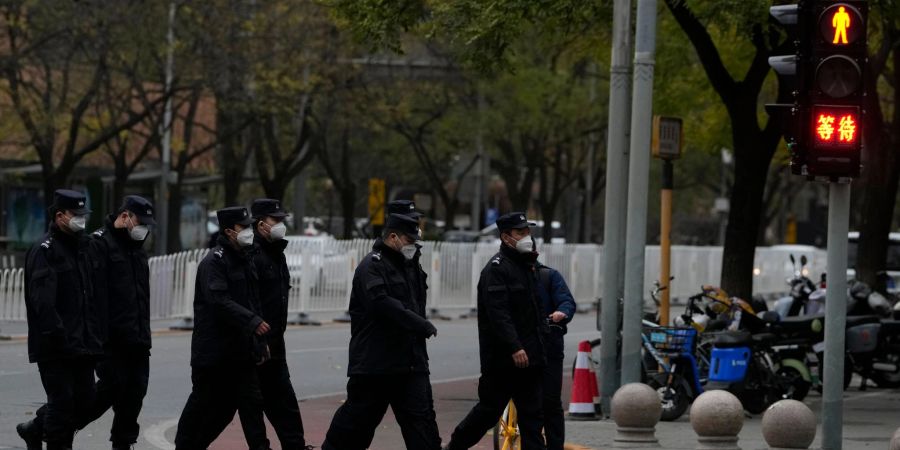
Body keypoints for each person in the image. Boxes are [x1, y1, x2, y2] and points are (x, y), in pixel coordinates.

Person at [322, 213, 441, 450]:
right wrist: (419, 323)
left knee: (423, 428)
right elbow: (382, 304)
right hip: (375, 366)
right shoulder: (371, 266)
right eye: (409, 240)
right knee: (354, 427)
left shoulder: (410, 266)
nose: (413, 246)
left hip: (410, 364)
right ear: (393, 237)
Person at [444, 212, 548, 450]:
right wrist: (515, 346)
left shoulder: (527, 266)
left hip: (530, 359)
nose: (527, 237)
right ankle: (455, 446)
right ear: (506, 237)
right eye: (520, 233)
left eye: (527, 232)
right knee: (489, 412)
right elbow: (498, 315)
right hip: (503, 362)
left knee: (532, 417)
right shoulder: (496, 269)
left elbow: (534, 310)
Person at [174, 206, 272, 450]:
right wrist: (252, 322)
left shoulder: (247, 259)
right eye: (244, 227)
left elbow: (253, 301)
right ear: (229, 231)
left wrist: (259, 341)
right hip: (214, 354)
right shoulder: (213, 262)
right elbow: (219, 301)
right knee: (203, 405)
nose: (249, 231)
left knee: (252, 405)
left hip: (240, 353)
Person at [18, 189, 105, 450]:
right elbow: (43, 303)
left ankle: (34, 429)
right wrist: (60, 339)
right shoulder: (45, 251)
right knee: (62, 402)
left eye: (83, 214)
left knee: (86, 399)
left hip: (83, 344)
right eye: (75, 215)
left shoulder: (84, 248)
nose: (82, 219)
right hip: (55, 346)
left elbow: (89, 296)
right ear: (59, 216)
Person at [236, 199, 311, 450]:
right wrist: (257, 340)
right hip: (255, 345)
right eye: (275, 220)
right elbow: (248, 302)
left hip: (275, 343)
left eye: (282, 220)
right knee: (252, 405)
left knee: (285, 402)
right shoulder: (251, 255)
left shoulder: (277, 253)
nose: (281, 225)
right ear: (260, 224)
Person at [534, 258, 576, 450]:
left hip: (550, 344)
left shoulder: (548, 276)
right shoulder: (504, 274)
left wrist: (562, 312)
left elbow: (566, 301)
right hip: (517, 345)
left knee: (550, 401)